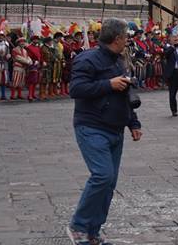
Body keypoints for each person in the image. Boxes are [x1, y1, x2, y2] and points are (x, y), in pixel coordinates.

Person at [67, 19, 142, 245]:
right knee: (102, 176)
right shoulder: (87, 59)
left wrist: (134, 123)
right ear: (117, 38)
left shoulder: (119, 61)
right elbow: (76, 89)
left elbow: (125, 94)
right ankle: (78, 226)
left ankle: (93, 232)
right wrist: (108, 84)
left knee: (109, 184)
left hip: (115, 127)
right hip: (92, 126)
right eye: (126, 38)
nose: (128, 41)